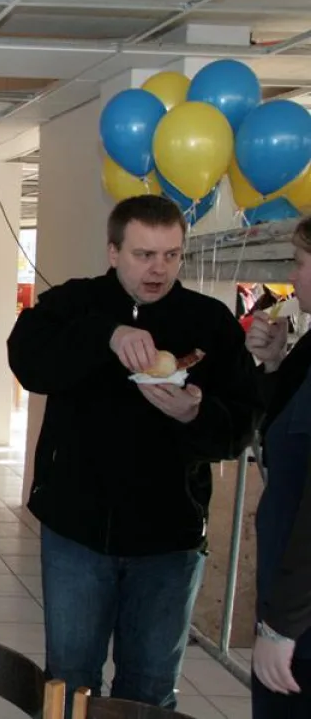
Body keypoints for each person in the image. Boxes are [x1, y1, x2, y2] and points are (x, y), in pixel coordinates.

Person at [7, 194, 260, 709]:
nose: (158, 268)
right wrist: (107, 334)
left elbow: (236, 431)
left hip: (170, 538)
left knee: (148, 688)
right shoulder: (73, 304)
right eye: (144, 254)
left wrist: (195, 414)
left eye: (171, 254)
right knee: (71, 683)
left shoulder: (209, 322)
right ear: (113, 252)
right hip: (76, 529)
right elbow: (30, 365)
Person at [243, 215, 311, 718]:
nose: (293, 274)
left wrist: (281, 623)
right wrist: (271, 365)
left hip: (301, 616)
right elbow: (283, 433)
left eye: (299, 262)